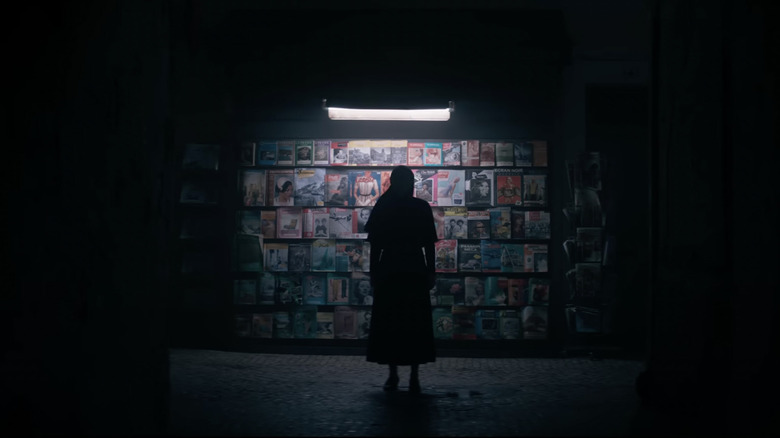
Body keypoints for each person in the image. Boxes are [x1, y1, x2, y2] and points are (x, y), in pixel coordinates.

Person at [364, 165, 437, 394]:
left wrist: (374, 271)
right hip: (414, 268)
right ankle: (413, 376)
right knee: (415, 323)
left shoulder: (383, 205)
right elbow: (428, 244)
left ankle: (393, 374)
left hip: (390, 269)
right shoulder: (421, 207)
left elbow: (375, 245)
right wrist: (430, 270)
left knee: (390, 323)